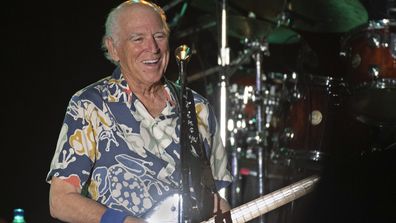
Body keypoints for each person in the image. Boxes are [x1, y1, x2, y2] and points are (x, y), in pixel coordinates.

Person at [46, 1, 233, 223]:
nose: (152, 48)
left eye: (159, 36)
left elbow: (215, 200)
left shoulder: (199, 109)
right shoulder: (90, 104)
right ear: (114, 48)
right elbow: (61, 201)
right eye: (138, 39)